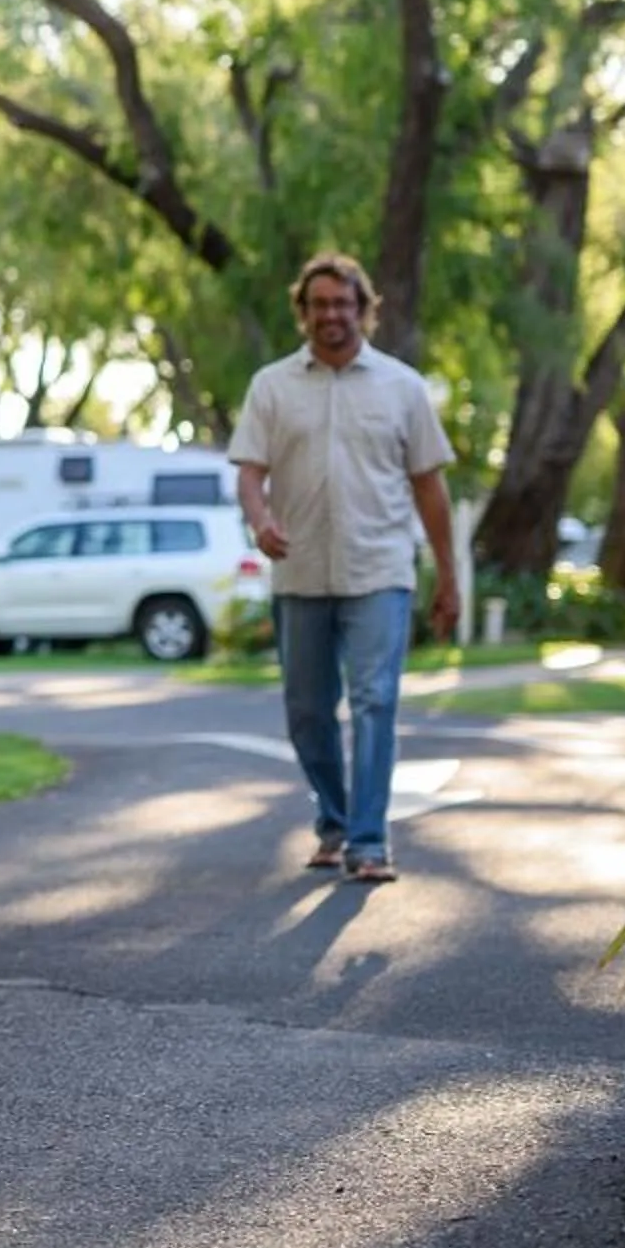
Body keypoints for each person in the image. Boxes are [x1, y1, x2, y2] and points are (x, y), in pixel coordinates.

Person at [231, 250, 460, 886]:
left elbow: (429, 490)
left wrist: (448, 577)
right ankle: (332, 823)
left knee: (375, 700)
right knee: (306, 710)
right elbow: (250, 472)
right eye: (320, 304)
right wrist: (261, 520)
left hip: (380, 569)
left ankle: (368, 840)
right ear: (302, 313)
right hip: (299, 571)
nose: (332, 314)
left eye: (344, 303)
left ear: (365, 310)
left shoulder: (403, 387)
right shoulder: (272, 386)